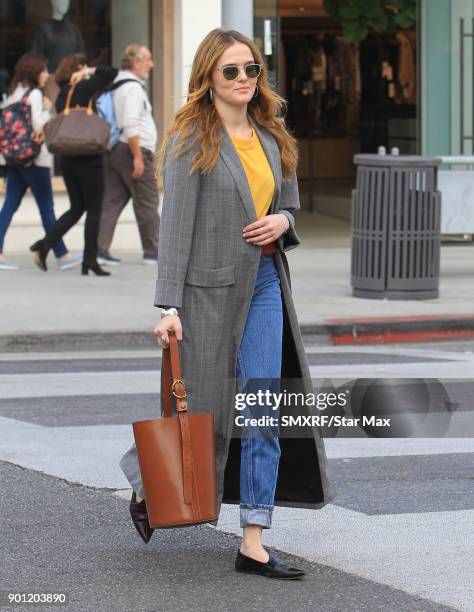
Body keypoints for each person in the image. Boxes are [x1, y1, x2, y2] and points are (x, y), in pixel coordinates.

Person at [119, 28, 336, 579]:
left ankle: (254, 539)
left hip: (264, 285)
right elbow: (176, 230)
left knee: (263, 409)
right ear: (209, 79)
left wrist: (283, 221)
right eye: (231, 71)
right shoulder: (194, 138)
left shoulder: (272, 134)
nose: (244, 80)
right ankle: (149, 484)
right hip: (206, 293)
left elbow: (291, 205)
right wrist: (168, 306)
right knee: (204, 417)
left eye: (251, 70)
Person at [30, 54, 118, 276]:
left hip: (68, 160)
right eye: (84, 66)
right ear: (77, 69)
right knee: (94, 210)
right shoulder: (85, 87)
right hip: (89, 159)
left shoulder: (63, 95)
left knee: (77, 208)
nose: (88, 69)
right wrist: (88, 72)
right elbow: (111, 73)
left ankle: (45, 244)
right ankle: (89, 261)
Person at [0, 52, 81, 271]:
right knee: (46, 207)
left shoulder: (13, 93)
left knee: (9, 205)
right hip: (35, 159)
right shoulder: (35, 95)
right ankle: (62, 254)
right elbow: (39, 126)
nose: (47, 74)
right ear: (34, 71)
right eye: (44, 70)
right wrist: (48, 109)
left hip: (16, 158)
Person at [96, 44, 160, 266]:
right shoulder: (132, 88)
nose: (151, 65)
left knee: (112, 201)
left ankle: (100, 250)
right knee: (148, 202)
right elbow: (130, 124)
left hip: (116, 150)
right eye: (148, 60)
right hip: (133, 150)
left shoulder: (117, 84)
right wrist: (138, 157)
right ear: (136, 62)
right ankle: (154, 251)